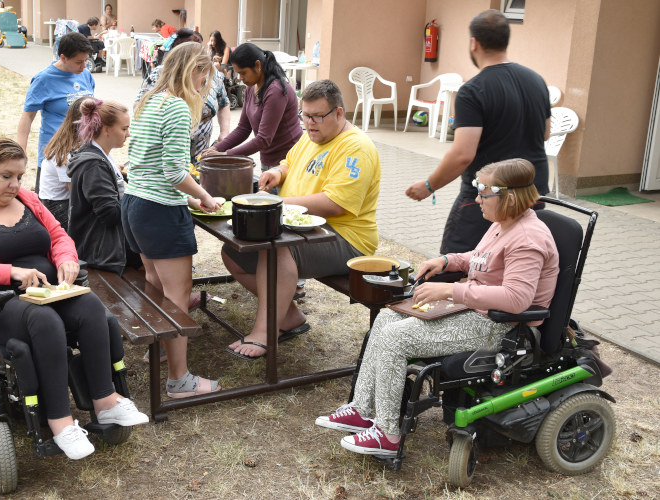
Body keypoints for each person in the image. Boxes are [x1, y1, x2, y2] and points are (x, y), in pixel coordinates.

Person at [318, 158, 558, 456]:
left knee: (397, 338)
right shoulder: (503, 224)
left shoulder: (528, 239)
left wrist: (451, 290)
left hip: (502, 327)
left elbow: (516, 299)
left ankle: (387, 435)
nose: (477, 199)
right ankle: (363, 410)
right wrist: (448, 261)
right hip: (478, 312)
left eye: (484, 193)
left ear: (508, 197)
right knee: (386, 318)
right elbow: (480, 258)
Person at [0, 138, 149, 460]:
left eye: (19, 176)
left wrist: (66, 260)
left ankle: (106, 403)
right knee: (44, 321)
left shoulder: (28, 200)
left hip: (47, 293)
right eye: (6, 176)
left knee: (90, 305)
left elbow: (60, 235)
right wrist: (11, 272)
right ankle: (60, 422)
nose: (15, 184)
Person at [223, 80, 380, 360]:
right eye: (304, 116)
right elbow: (290, 161)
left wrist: (276, 202)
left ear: (339, 113)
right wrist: (279, 173)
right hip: (305, 229)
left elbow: (335, 204)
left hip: (346, 239)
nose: (309, 124)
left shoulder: (356, 147)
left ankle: (264, 332)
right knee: (233, 252)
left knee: (278, 249)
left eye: (317, 116)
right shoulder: (312, 134)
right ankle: (289, 315)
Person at [405, 9, 552, 255]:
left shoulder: (473, 90)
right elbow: (545, 133)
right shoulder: (537, 81)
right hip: (531, 192)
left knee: (451, 265)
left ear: (474, 43)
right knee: (514, 261)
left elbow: (463, 154)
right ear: (505, 41)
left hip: (489, 195)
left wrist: (429, 185)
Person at [123, 42, 222, 397]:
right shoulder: (178, 108)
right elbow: (173, 171)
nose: (205, 83)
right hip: (161, 209)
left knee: (155, 285)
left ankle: (162, 351)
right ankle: (180, 380)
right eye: (204, 75)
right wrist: (205, 196)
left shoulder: (149, 100)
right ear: (193, 70)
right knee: (178, 294)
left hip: (135, 203)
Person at [201, 43, 302, 182]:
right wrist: (217, 148)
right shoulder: (251, 87)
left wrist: (226, 155)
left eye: (243, 73)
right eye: (238, 73)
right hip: (268, 159)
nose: (241, 78)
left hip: (287, 161)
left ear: (258, 65)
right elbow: (243, 128)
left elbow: (263, 139)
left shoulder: (275, 91)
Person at [66, 98, 140, 274]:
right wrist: (139, 191)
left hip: (101, 244)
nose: (128, 134)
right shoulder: (94, 164)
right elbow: (111, 214)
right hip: (100, 250)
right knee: (157, 245)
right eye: (124, 129)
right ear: (106, 129)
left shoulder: (96, 154)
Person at [135, 29, 231, 163]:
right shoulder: (161, 79)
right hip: (167, 160)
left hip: (198, 154)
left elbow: (224, 103)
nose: (200, 90)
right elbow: (175, 173)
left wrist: (224, 133)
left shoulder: (211, 72)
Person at [17, 32, 95, 194]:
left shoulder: (85, 75)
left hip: (82, 153)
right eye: (79, 61)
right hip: (55, 156)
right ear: (63, 57)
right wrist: (20, 153)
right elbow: (27, 118)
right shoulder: (43, 79)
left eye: (86, 60)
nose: (84, 66)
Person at [39, 96, 89, 231]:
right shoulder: (67, 151)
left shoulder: (80, 143)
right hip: (57, 206)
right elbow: (76, 193)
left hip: (68, 200)